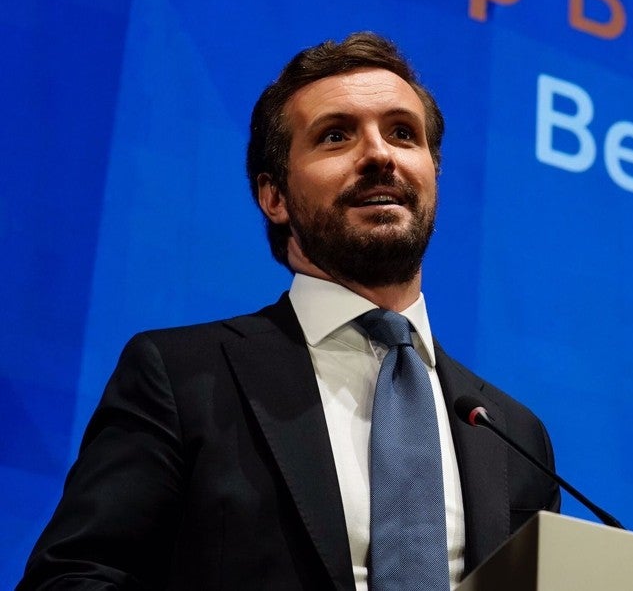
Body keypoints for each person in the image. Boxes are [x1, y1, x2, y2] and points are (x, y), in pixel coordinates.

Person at [20, 32, 559, 590]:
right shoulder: (183, 378)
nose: (379, 154)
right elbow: (72, 579)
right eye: (335, 136)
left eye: (403, 133)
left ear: (432, 174)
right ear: (274, 196)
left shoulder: (514, 437)